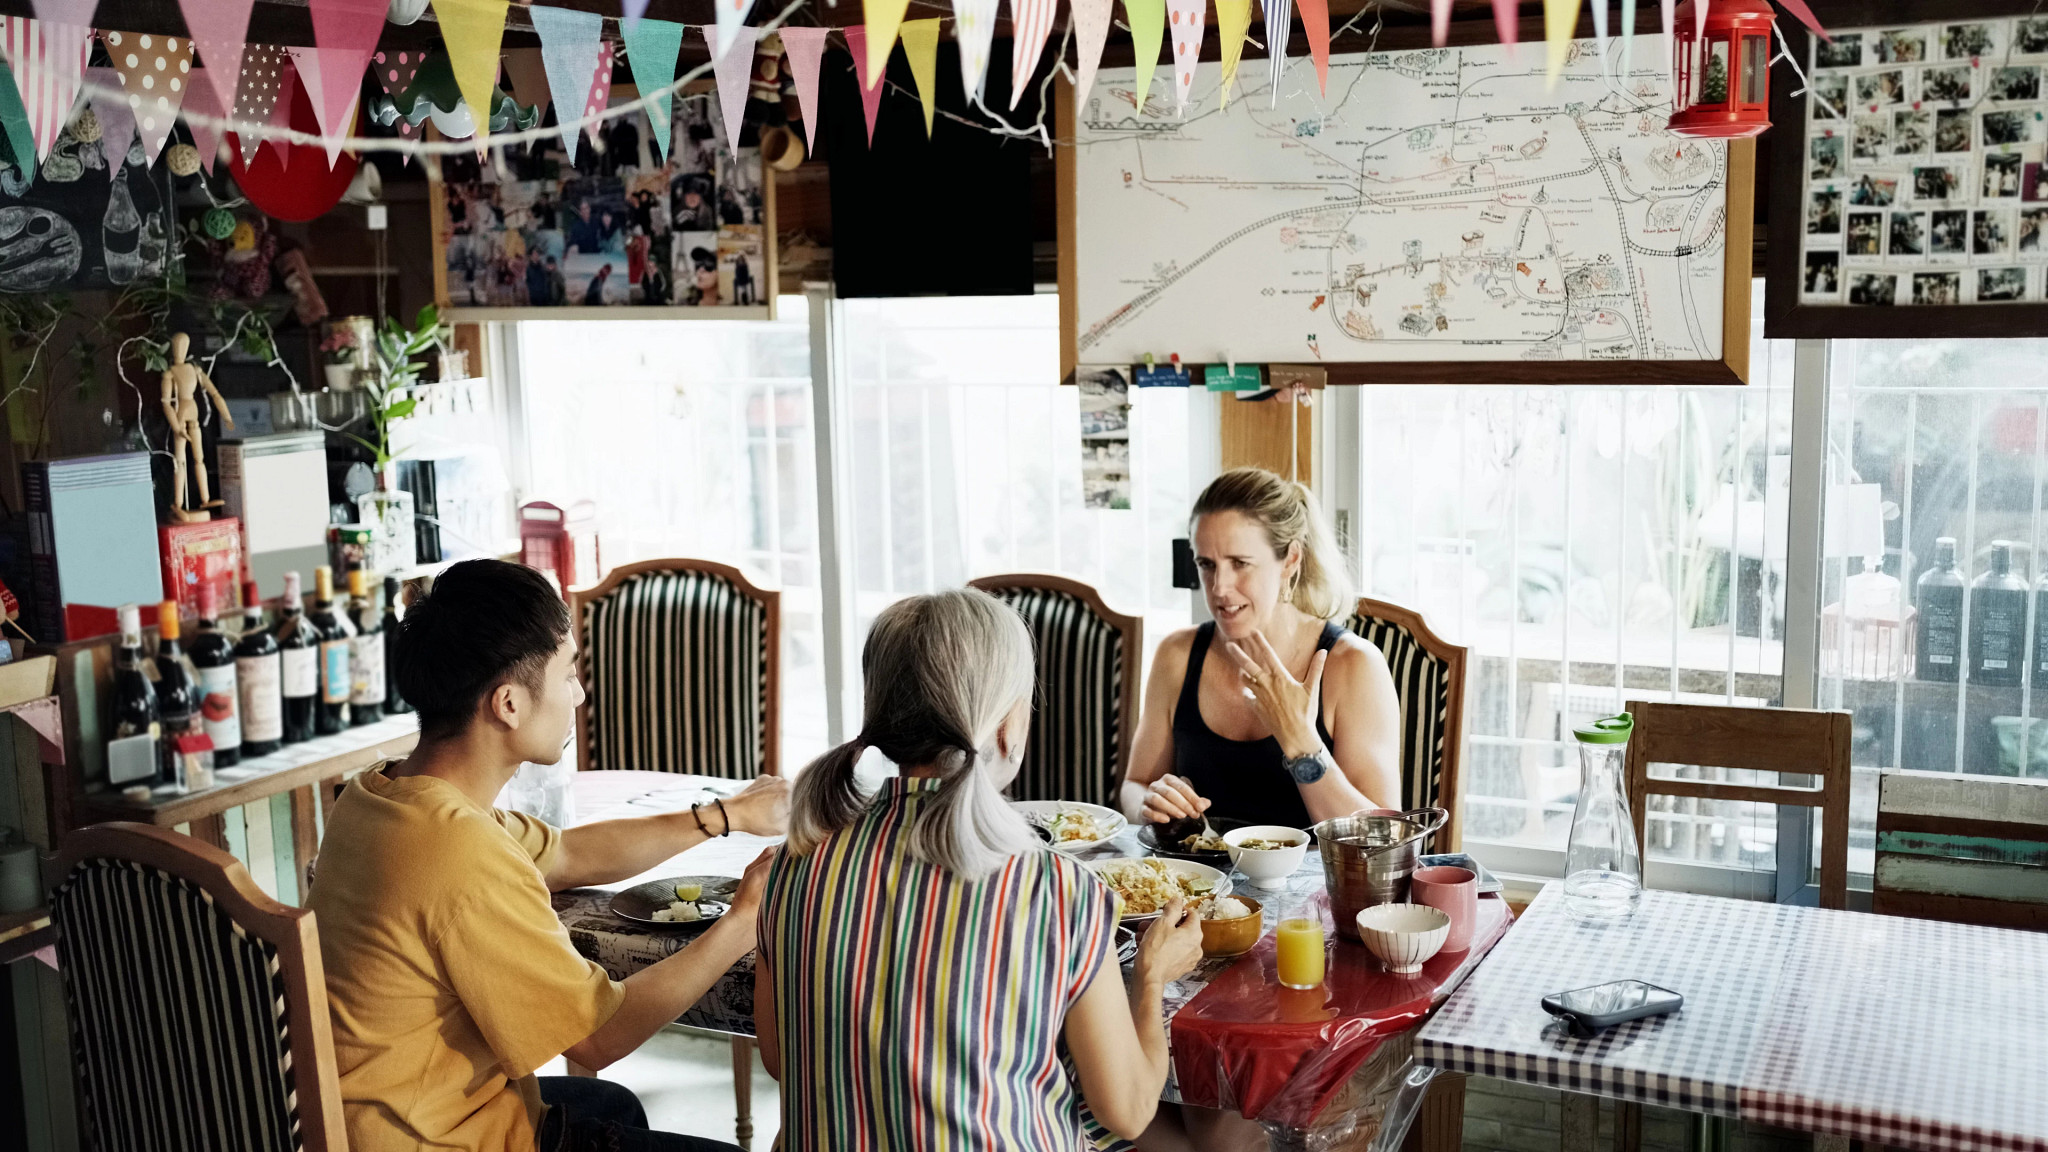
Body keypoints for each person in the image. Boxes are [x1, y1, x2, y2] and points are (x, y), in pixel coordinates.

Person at [309, 559, 792, 1152]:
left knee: (613, 1107)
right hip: (442, 1140)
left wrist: (726, 815)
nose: (580, 695)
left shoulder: (382, 796)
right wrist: (743, 922)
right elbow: (598, 1038)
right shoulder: (459, 853)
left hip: (381, 1119)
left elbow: (566, 853)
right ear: (508, 704)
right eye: (568, 674)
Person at [755, 589, 1206, 1151]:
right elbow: (1130, 1111)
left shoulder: (796, 863)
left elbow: (779, 1057)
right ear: (1005, 727)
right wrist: (1153, 978)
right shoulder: (1056, 887)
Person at [1122, 467, 1402, 832]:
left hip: (1317, 889)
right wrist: (1150, 802)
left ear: (1290, 560)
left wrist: (1300, 740)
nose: (1219, 587)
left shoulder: (1353, 665)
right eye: (1206, 565)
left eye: (1240, 564)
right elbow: (1134, 785)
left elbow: (1384, 840)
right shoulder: (1176, 654)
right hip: (1196, 885)